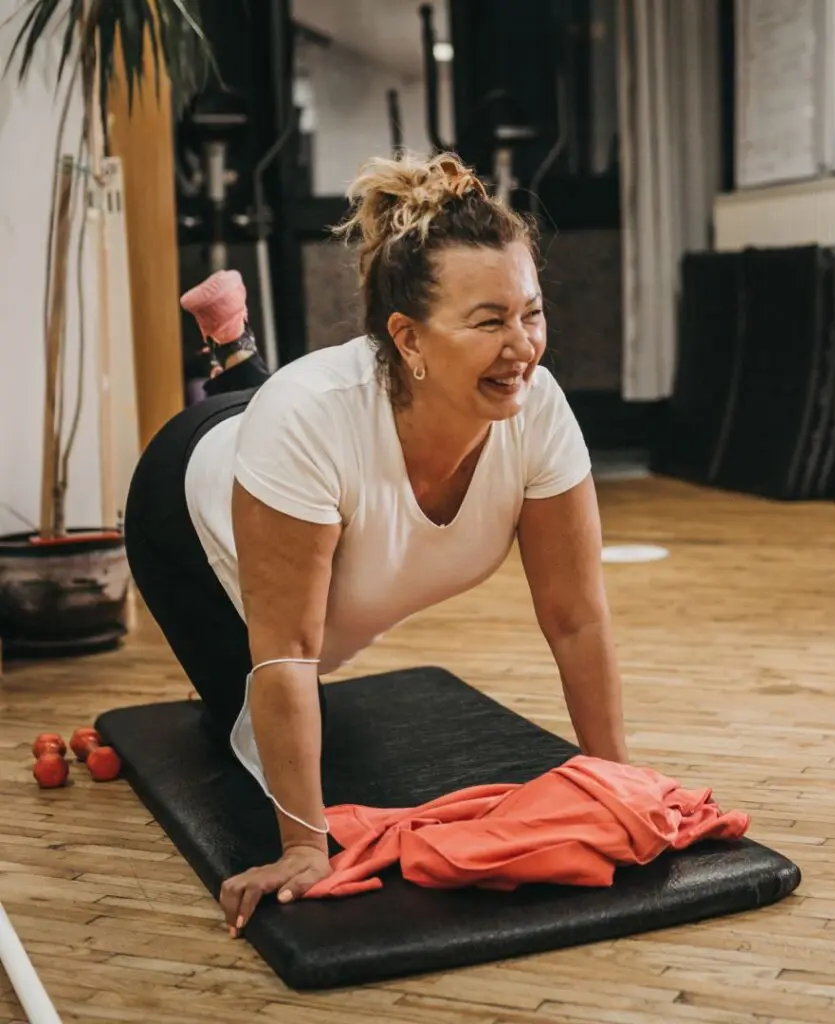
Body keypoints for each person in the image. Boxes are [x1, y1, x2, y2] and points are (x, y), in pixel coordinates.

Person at [123, 151, 629, 939]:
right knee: (251, 709)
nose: (523, 345)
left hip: (299, 438)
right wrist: (302, 845)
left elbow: (576, 617)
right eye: (489, 321)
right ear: (409, 337)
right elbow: (286, 651)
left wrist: (614, 779)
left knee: (289, 423)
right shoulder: (310, 418)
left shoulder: (536, 408)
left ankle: (234, 347)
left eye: (530, 312)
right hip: (183, 503)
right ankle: (234, 360)